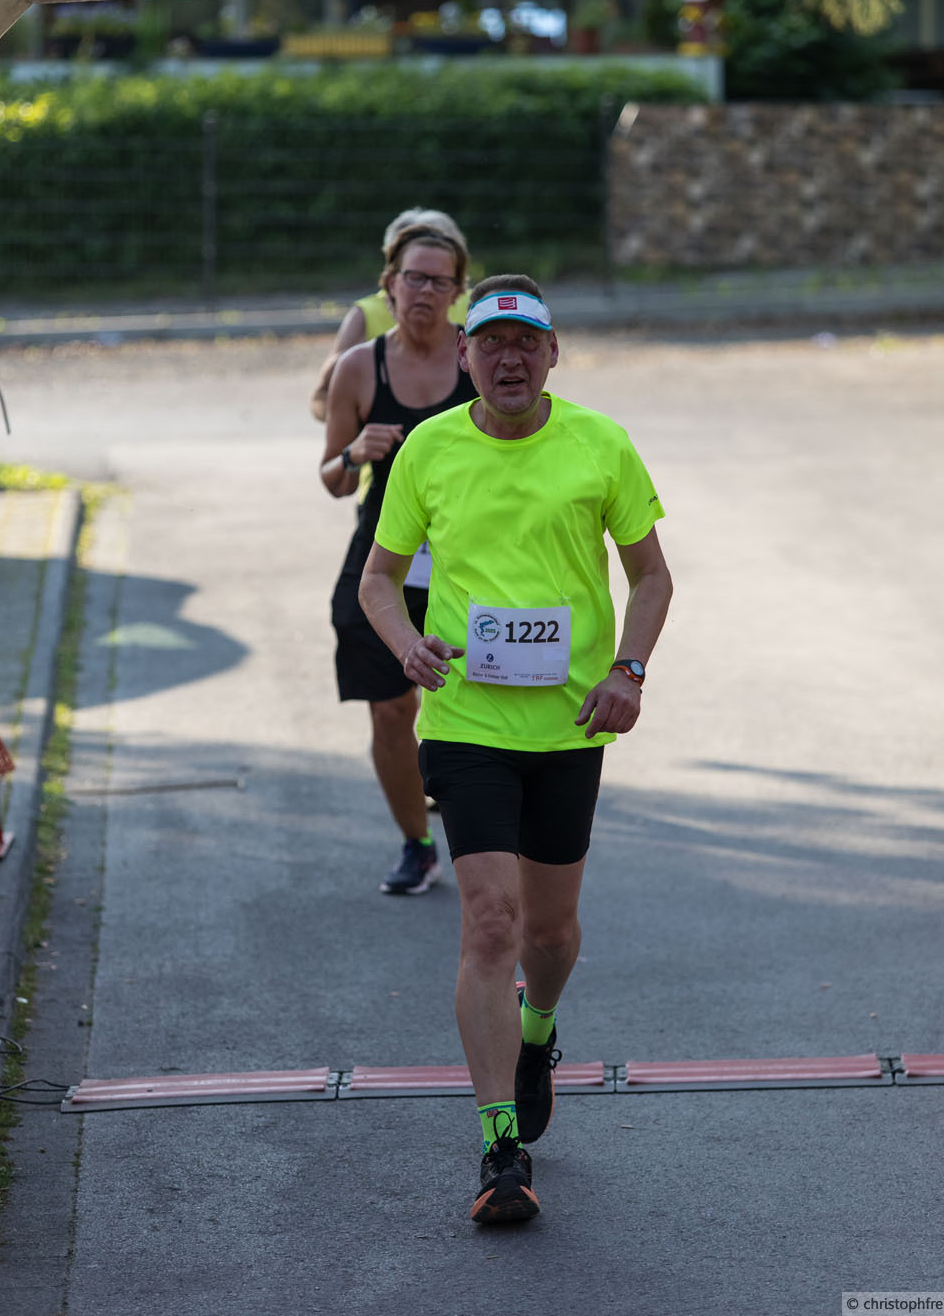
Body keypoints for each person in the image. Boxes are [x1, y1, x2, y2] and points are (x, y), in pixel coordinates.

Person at [359, 273, 672, 1225]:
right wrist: (405, 645)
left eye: (525, 343)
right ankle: (501, 1146)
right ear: (465, 355)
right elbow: (379, 580)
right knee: (490, 924)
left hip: (569, 727)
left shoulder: (599, 443)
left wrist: (628, 672)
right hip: (465, 725)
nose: (507, 359)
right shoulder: (429, 448)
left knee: (550, 933)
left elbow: (652, 578)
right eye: (490, 343)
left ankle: (537, 1030)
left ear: (551, 353)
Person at [321, 217, 478, 894]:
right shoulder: (359, 368)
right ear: (389, 284)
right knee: (390, 711)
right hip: (384, 562)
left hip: (469, 561)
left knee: (473, 707)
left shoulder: (477, 358)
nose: (425, 292)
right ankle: (418, 844)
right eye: (414, 278)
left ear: (458, 291)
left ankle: (486, 838)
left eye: (440, 282)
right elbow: (332, 479)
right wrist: (354, 453)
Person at [309, 208, 470, 423]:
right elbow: (323, 399)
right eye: (416, 274)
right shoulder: (366, 314)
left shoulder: (475, 307)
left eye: (439, 279)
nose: (427, 289)